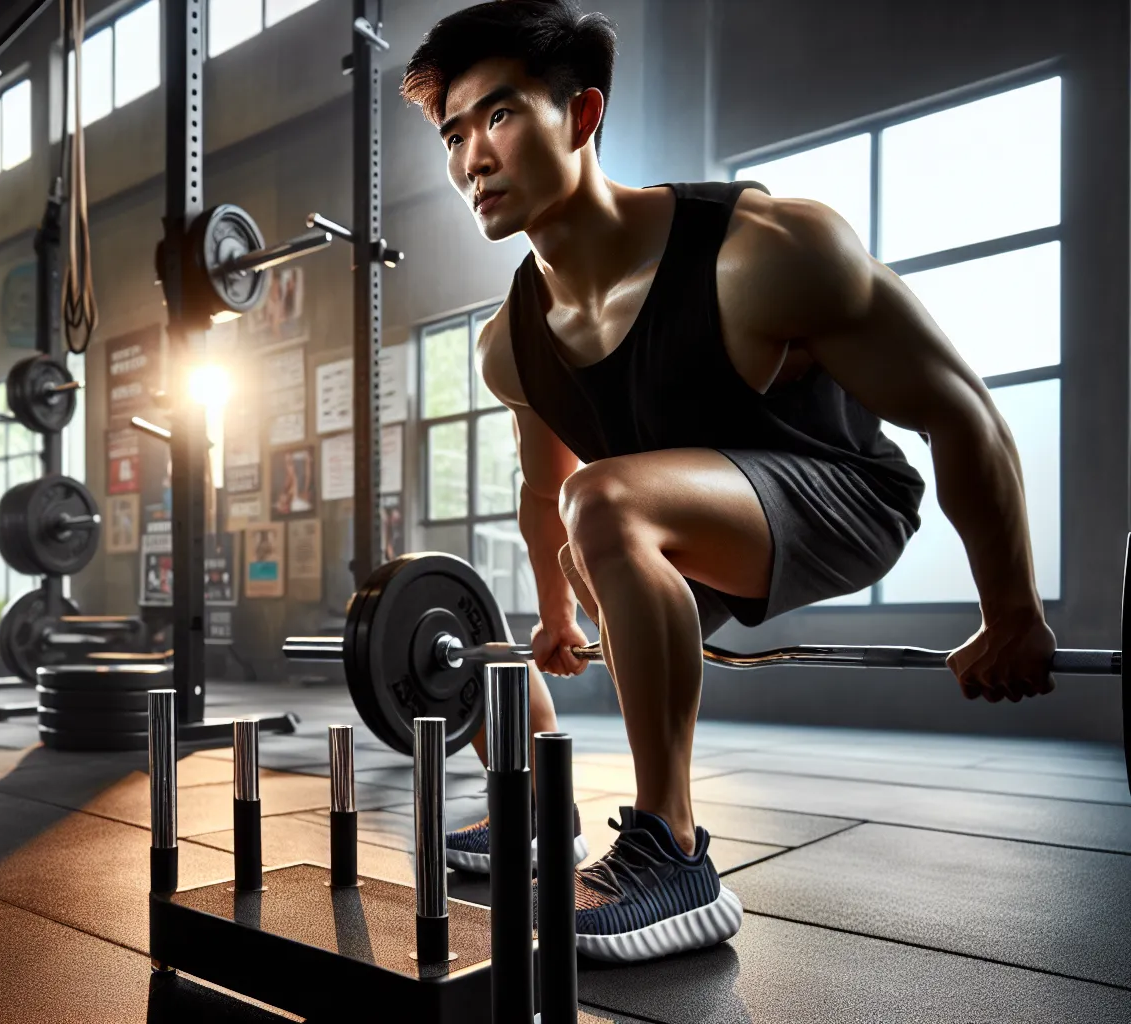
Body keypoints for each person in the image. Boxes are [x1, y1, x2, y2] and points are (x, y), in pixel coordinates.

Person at [403, 1, 1054, 962]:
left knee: (607, 502)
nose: (471, 159)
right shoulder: (514, 345)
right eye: (454, 134)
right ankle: (541, 807)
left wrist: (1011, 613)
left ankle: (674, 853)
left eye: (499, 117)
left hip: (843, 496)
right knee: (590, 530)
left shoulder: (762, 252)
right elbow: (542, 492)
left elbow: (960, 411)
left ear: (581, 118)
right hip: (684, 518)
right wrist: (555, 613)